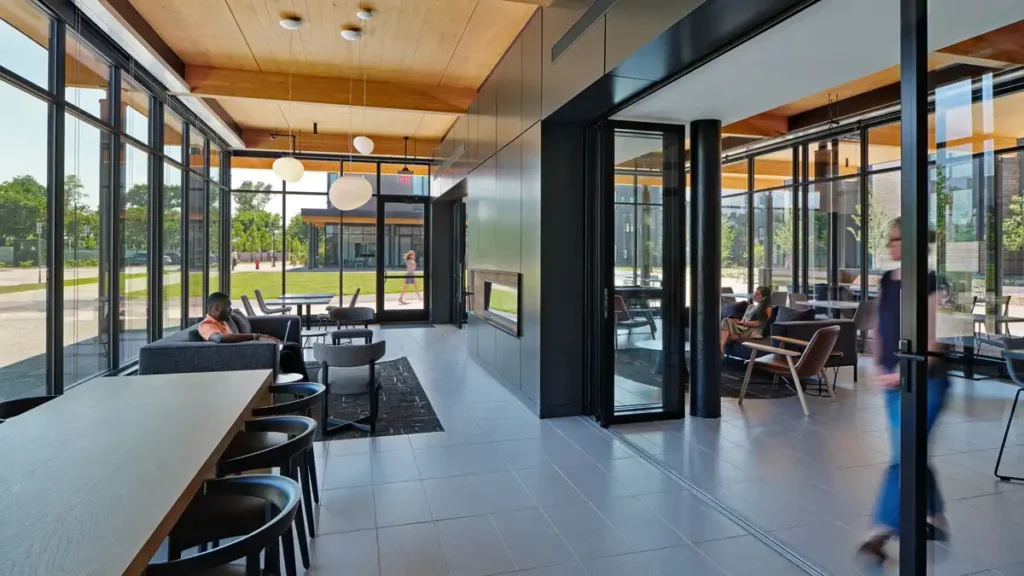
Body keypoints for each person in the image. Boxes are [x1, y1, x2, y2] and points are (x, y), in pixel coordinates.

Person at [857, 217, 949, 564]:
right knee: (912, 452)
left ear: (913, 242)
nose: (891, 245)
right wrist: (877, 364)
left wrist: (904, 371)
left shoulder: (929, 281)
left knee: (902, 457)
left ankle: (880, 532)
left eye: (897, 239)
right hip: (893, 382)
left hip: (927, 382)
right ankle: (935, 516)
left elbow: (935, 338)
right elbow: (880, 326)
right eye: (890, 238)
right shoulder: (886, 279)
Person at [197, 292, 310, 381]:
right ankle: (299, 392)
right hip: (238, 358)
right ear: (216, 308)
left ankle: (306, 384)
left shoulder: (222, 322)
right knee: (287, 355)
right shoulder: (206, 325)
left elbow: (233, 337)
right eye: (228, 308)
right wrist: (256, 336)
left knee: (293, 346)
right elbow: (219, 338)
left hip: (245, 350)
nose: (230, 311)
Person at [720, 285, 771, 354]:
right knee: (726, 323)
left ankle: (720, 348)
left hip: (752, 330)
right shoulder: (750, 306)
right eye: (754, 293)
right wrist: (737, 322)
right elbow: (743, 320)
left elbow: (758, 323)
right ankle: (721, 349)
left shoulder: (767, 309)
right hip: (743, 327)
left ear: (764, 297)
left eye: (757, 294)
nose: (754, 295)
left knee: (725, 328)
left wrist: (741, 323)